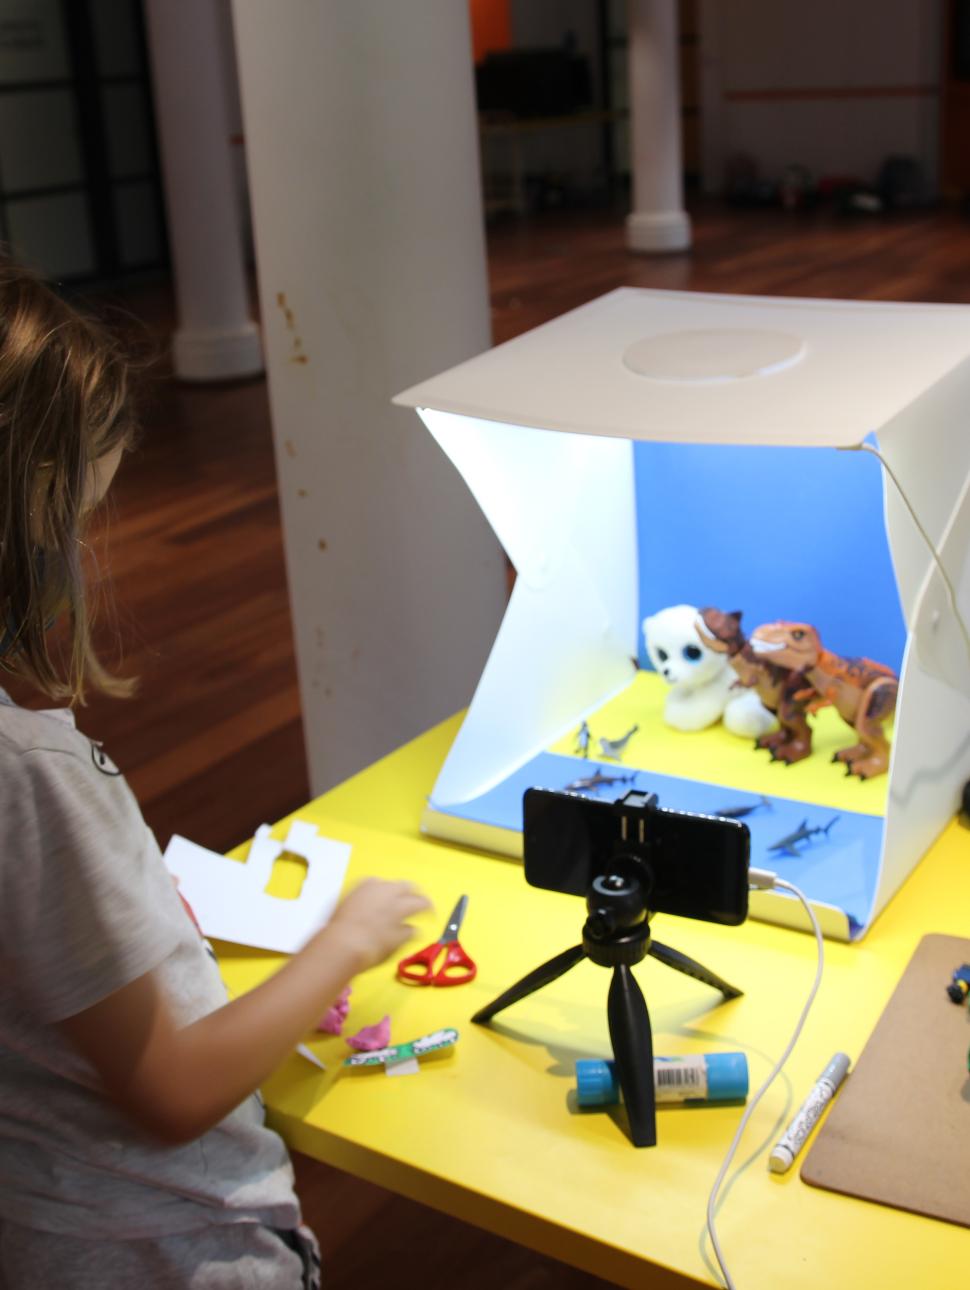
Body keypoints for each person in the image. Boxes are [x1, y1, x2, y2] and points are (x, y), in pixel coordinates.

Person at [0, 258, 431, 1288]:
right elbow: (172, 1089)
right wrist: (339, 947)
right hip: (162, 1244)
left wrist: (132, 910)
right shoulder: (31, 769)